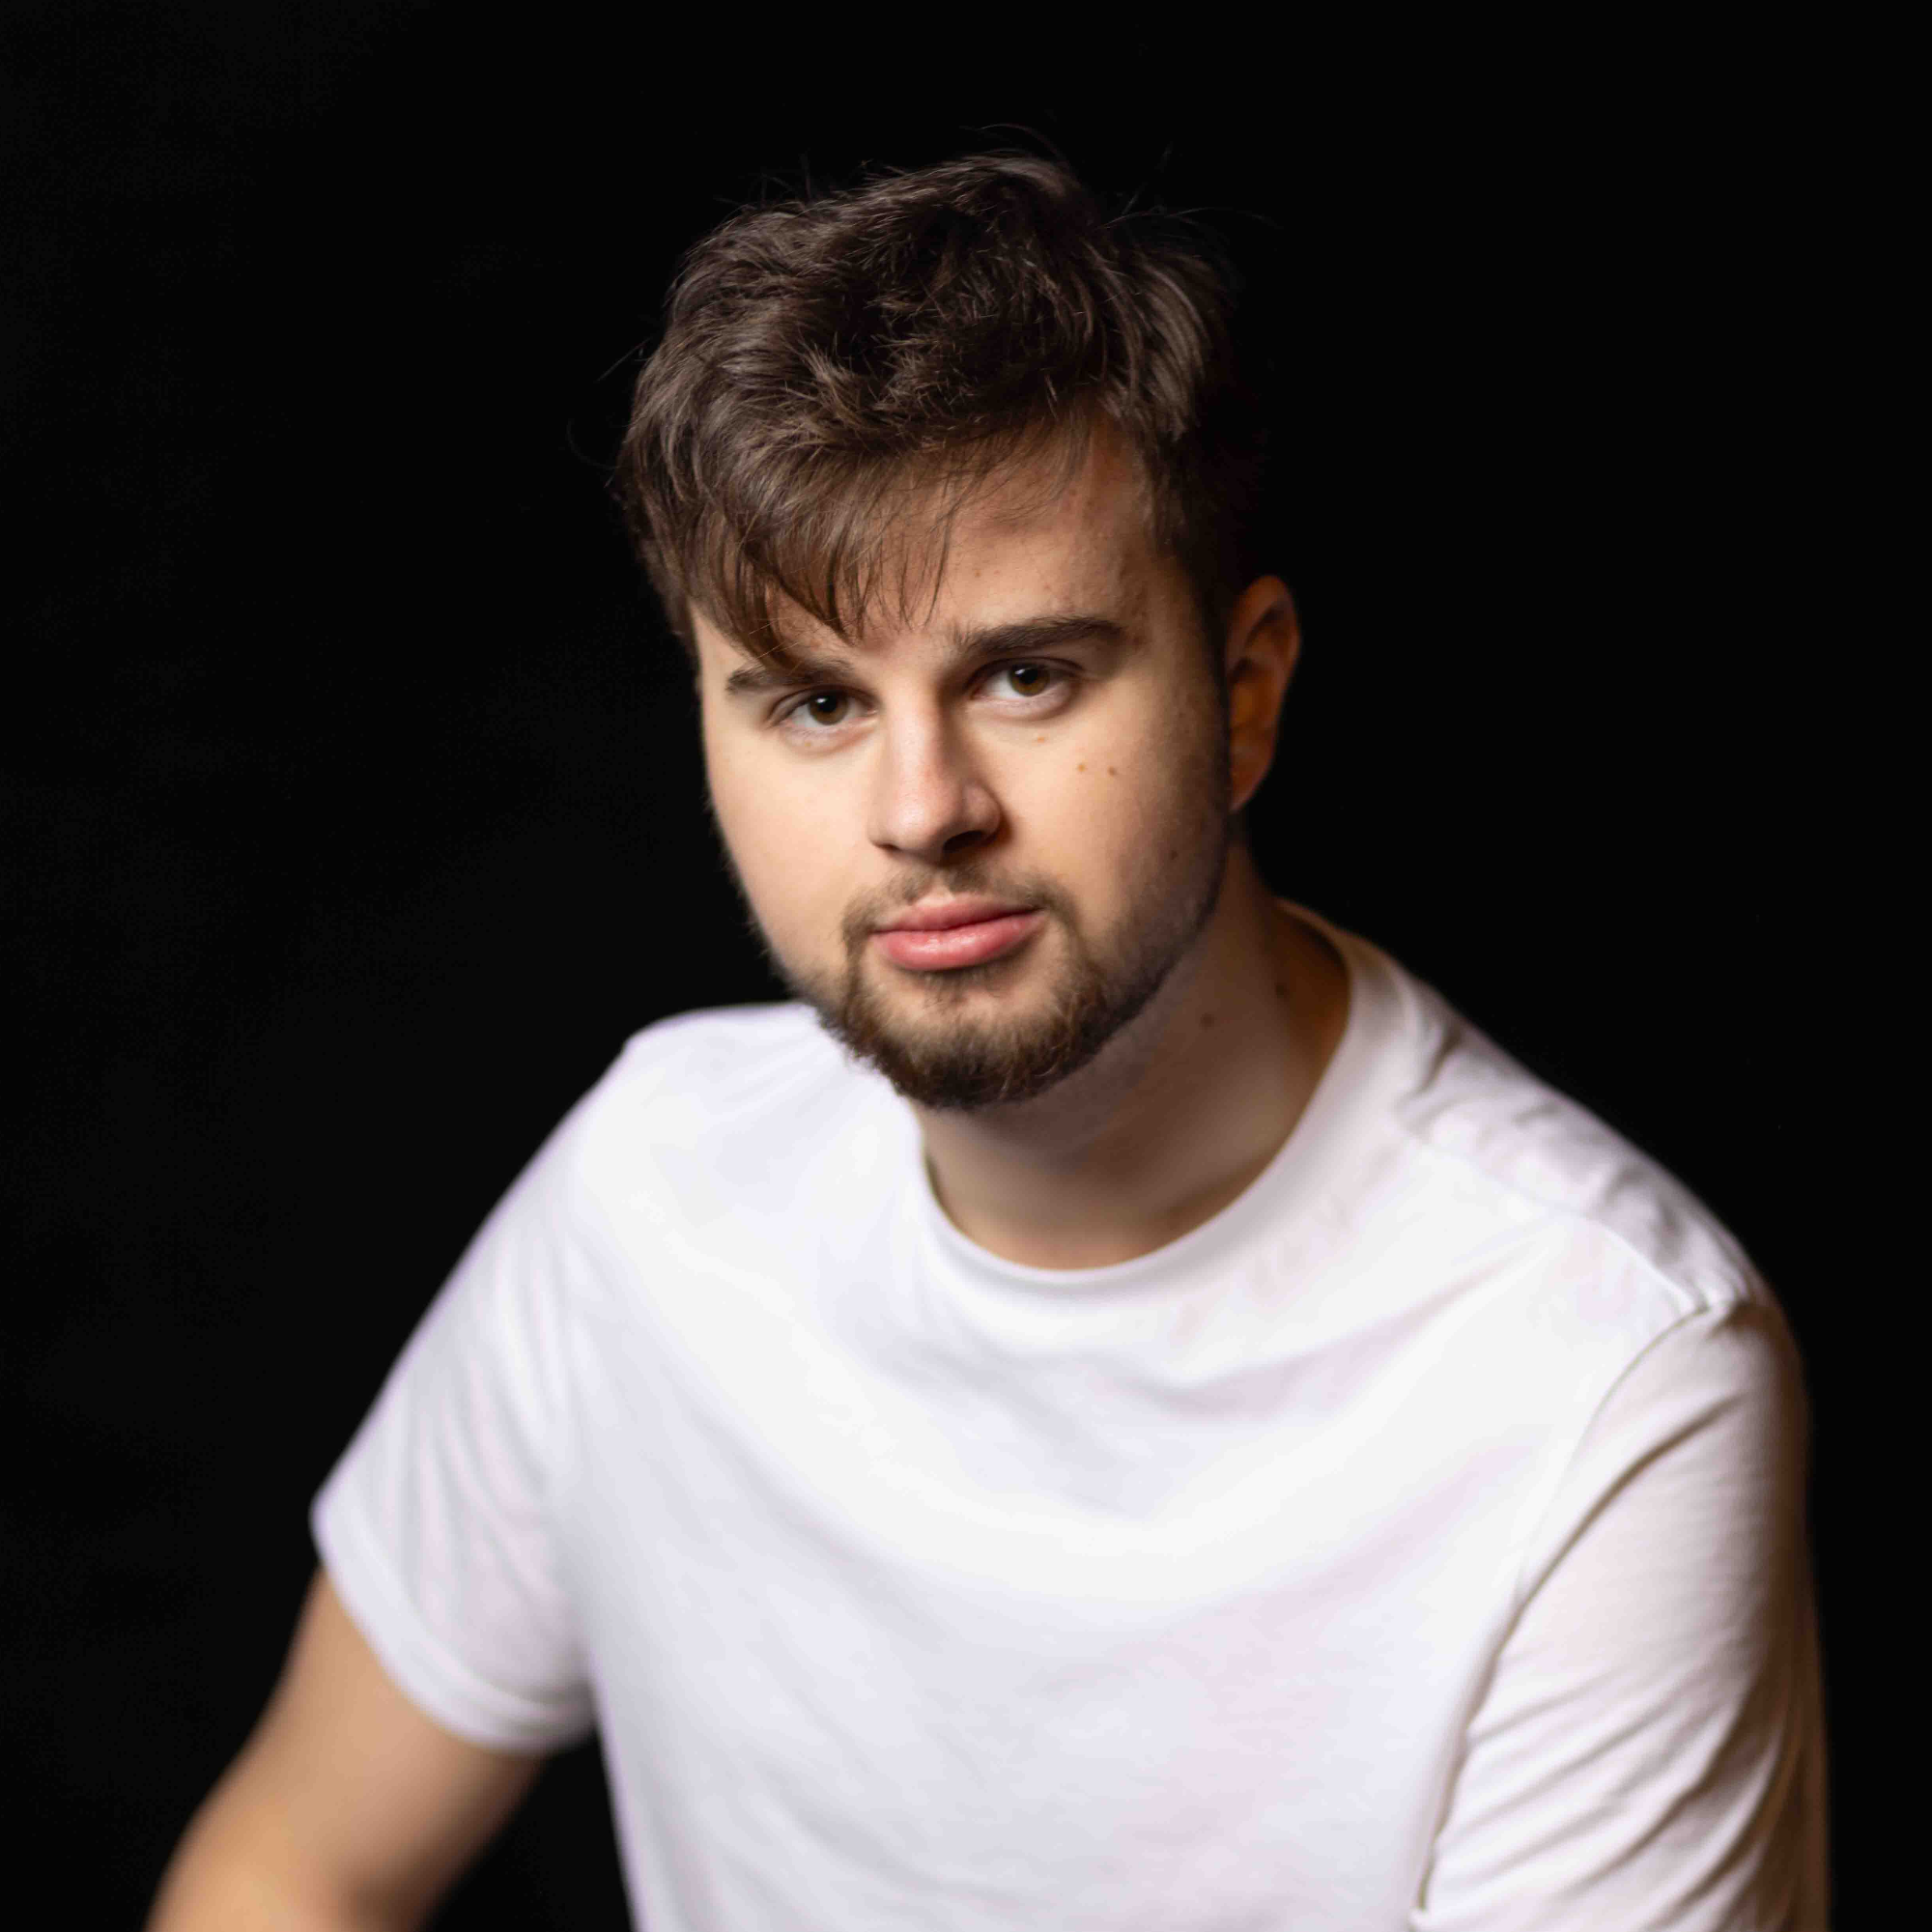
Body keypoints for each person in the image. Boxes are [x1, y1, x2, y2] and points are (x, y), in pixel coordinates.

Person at [147, 151, 1829, 1931]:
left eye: (1026, 675)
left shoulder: (1600, 1375)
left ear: (1244, 692)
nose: (921, 808)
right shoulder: (652, 1192)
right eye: (816, 702)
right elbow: (293, 1864)